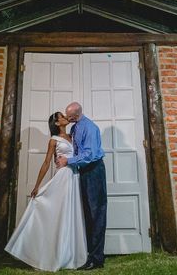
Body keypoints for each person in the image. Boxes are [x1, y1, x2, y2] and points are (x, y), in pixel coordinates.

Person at [5, 111, 87, 272]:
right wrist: (37, 186)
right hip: (63, 177)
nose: (65, 118)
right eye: (62, 117)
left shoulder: (72, 136)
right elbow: (46, 163)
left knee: (71, 214)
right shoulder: (53, 140)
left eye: (64, 116)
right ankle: (42, 253)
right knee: (56, 213)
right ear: (57, 123)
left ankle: (68, 253)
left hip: (75, 177)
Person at [56, 102, 107, 270]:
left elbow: (90, 154)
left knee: (96, 213)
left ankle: (97, 259)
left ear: (75, 116)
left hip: (94, 170)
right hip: (82, 172)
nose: (66, 117)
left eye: (68, 115)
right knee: (86, 213)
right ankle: (87, 254)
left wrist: (68, 161)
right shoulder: (75, 128)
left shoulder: (89, 128)